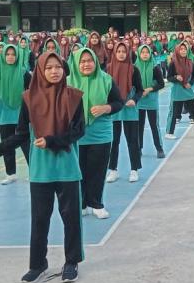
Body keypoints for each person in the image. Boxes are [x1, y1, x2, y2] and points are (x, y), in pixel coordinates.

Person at [0, 51, 86, 283]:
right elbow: (20, 134)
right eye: (48, 67)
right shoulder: (28, 99)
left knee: (71, 218)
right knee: (39, 219)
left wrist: (52, 141)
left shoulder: (74, 97)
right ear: (39, 70)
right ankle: (37, 264)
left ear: (64, 69)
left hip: (67, 168)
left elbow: (78, 132)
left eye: (58, 67)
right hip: (40, 170)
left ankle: (72, 262)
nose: (54, 71)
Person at [68, 48, 124, 220]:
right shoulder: (67, 82)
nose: (86, 64)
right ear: (76, 63)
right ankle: (82, 203)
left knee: (98, 171)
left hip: (101, 133)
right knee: (79, 171)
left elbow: (118, 103)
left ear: (95, 62)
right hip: (76, 135)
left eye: (89, 61)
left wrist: (106, 108)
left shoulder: (106, 80)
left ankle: (96, 204)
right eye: (82, 61)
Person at [0, 45, 32, 185]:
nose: (10, 57)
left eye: (13, 54)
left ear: (17, 56)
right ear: (4, 56)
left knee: (26, 144)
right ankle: (11, 174)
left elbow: (32, 91)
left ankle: (33, 171)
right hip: (4, 113)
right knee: (7, 144)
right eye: (8, 54)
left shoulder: (24, 73)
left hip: (21, 113)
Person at [106, 41, 144, 183]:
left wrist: (134, 99)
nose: (121, 54)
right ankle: (113, 170)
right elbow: (104, 88)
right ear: (114, 53)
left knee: (132, 140)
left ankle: (134, 170)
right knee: (113, 140)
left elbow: (140, 90)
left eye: (124, 51)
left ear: (128, 53)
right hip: (114, 108)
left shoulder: (134, 69)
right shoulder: (108, 69)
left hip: (129, 108)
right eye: (119, 51)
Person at [165, 42, 194, 139]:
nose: (183, 51)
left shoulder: (190, 61)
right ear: (177, 51)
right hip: (177, 90)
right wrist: (176, 77)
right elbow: (169, 77)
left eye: (185, 49)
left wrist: (190, 83)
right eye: (181, 49)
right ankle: (169, 133)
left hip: (188, 89)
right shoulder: (173, 63)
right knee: (174, 112)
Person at [134, 44, 165, 159]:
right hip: (139, 101)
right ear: (139, 54)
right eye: (142, 52)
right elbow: (132, 84)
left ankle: (159, 148)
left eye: (147, 52)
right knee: (139, 126)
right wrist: (139, 92)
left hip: (151, 100)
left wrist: (150, 89)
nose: (145, 54)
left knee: (154, 125)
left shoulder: (155, 67)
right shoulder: (135, 67)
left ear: (150, 53)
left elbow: (161, 84)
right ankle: (139, 148)